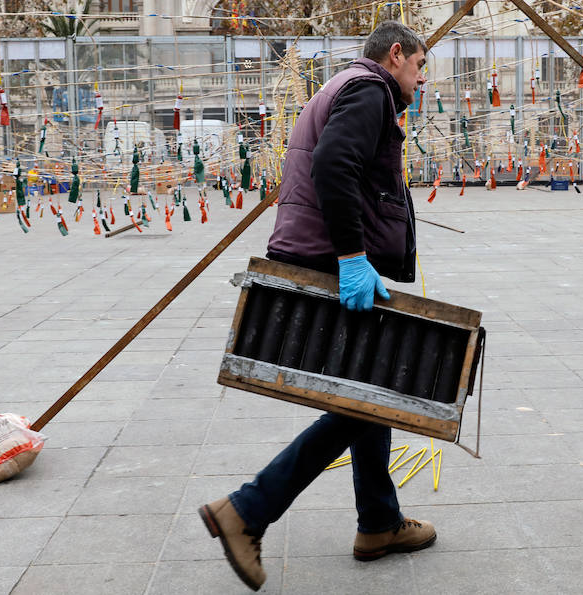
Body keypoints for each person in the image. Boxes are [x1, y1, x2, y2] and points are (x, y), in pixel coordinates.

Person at [198, 21, 430, 591]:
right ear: (395, 55)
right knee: (367, 398)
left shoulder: (344, 85)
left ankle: (378, 523)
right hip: (336, 259)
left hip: (328, 254)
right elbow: (333, 166)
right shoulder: (370, 89)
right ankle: (248, 509)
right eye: (419, 67)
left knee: (367, 392)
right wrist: (352, 257)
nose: (419, 81)